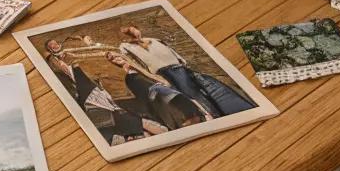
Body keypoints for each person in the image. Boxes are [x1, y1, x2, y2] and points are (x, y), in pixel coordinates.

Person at [43, 39, 166, 143]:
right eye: (51, 46)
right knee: (140, 127)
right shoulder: (59, 68)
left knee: (142, 128)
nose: (54, 46)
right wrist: (52, 57)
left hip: (98, 95)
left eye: (55, 43)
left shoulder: (75, 59)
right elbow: (49, 58)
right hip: (90, 100)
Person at [118, 25, 255, 116]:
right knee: (193, 95)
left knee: (206, 89)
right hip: (164, 72)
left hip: (179, 68)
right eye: (129, 32)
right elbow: (134, 61)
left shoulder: (154, 40)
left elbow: (172, 52)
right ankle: (215, 115)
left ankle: (228, 111)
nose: (134, 33)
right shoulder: (126, 46)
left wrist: (182, 62)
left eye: (134, 30)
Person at [104, 50, 205, 129]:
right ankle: (185, 122)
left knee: (175, 100)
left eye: (116, 56)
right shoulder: (124, 76)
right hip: (151, 95)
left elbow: (152, 77)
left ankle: (193, 117)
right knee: (166, 109)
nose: (116, 59)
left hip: (158, 89)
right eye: (112, 59)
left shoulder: (137, 68)